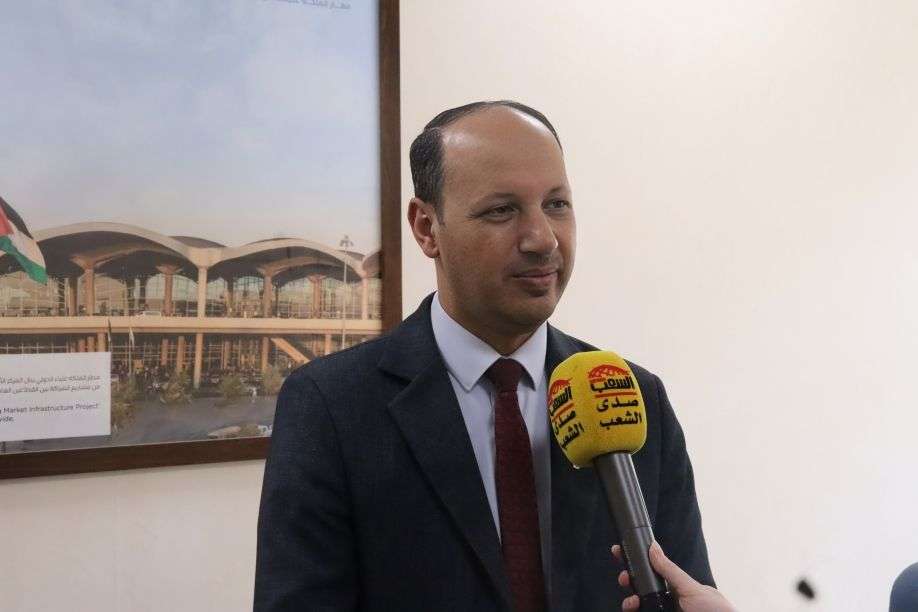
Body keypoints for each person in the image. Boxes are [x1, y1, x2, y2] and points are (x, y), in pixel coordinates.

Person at [255, 101, 731, 611]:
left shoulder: (634, 397)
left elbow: (687, 590)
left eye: (556, 204)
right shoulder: (330, 407)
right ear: (426, 227)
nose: (542, 239)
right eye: (502, 210)